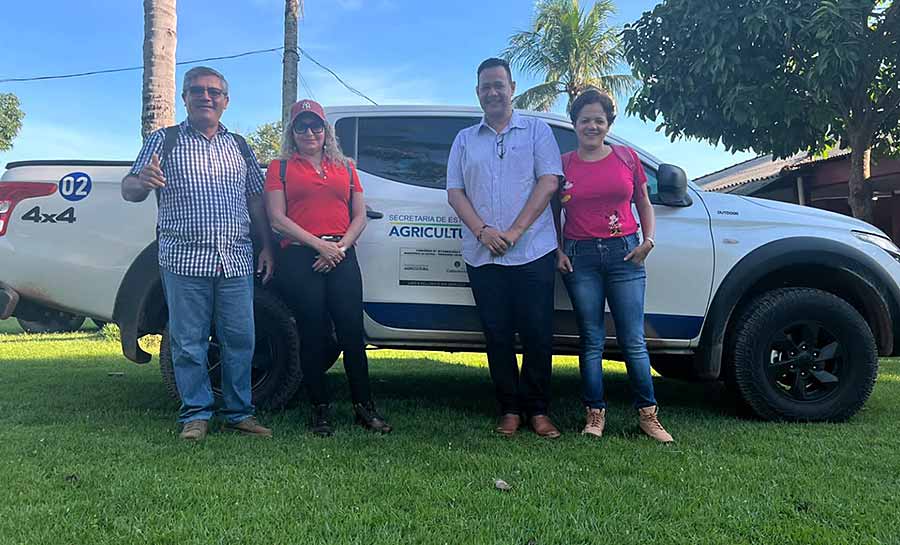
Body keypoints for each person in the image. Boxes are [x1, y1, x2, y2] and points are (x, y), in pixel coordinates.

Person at [122, 66, 275, 441]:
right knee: (187, 341)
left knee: (240, 339)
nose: (205, 97)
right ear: (185, 98)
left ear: (225, 101)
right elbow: (129, 188)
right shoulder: (164, 140)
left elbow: (255, 200)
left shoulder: (239, 145)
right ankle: (195, 414)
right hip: (184, 259)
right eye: (197, 91)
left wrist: (267, 245)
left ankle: (240, 413)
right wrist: (142, 181)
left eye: (213, 92)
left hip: (235, 258)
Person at [447, 58, 563, 438]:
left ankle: (539, 410)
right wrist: (482, 232)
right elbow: (455, 192)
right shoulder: (464, 139)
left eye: (499, 84)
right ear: (477, 92)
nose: (493, 92)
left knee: (537, 333)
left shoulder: (537, 131)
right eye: (486, 86)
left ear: (512, 87)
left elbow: (549, 182)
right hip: (483, 254)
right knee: (496, 335)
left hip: (533, 250)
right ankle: (509, 409)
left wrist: (514, 231)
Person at [264, 99, 391, 436]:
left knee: (352, 332)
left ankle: (364, 407)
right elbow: (277, 219)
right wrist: (319, 245)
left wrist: (339, 248)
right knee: (313, 332)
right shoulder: (279, 168)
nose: (310, 132)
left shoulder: (346, 167)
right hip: (301, 256)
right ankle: (319, 409)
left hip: (342, 252)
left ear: (326, 130)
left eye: (316, 125)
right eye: (301, 126)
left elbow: (360, 214)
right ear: (292, 131)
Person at [554, 88, 673, 443]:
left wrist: (648, 240)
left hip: (626, 254)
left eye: (598, 120)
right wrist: (558, 251)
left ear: (608, 124)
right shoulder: (563, 165)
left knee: (633, 339)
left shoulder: (626, 157)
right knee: (590, 339)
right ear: (574, 124)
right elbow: (553, 213)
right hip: (580, 257)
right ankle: (595, 413)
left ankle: (648, 416)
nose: (592, 126)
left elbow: (644, 203)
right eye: (585, 120)